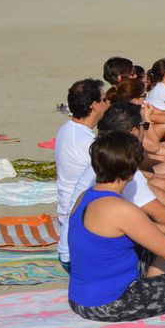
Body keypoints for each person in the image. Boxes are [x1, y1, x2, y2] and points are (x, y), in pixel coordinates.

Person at [64, 132, 165, 321]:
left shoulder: (86, 196)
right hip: (108, 303)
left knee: (161, 240)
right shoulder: (120, 208)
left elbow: (140, 231)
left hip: (81, 298)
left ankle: (155, 286)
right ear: (132, 172)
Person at [53, 79, 108, 248]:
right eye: (104, 99)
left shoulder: (67, 128)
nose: (108, 103)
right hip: (80, 214)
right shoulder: (87, 141)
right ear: (94, 105)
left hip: (68, 208)